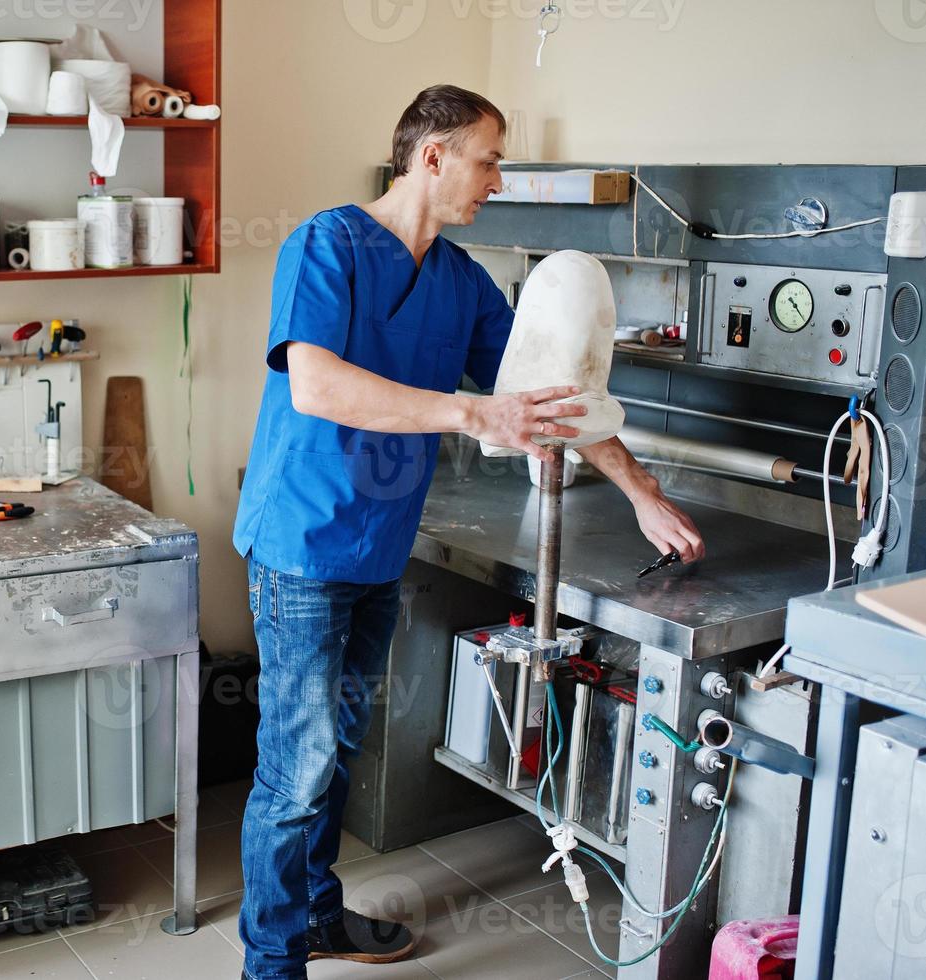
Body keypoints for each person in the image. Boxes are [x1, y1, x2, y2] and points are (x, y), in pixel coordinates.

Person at [230, 84, 705, 980]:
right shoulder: (325, 246)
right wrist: (470, 414)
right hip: (301, 546)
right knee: (294, 773)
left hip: (375, 547)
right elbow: (317, 387)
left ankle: (317, 915)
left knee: (331, 755)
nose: (497, 179)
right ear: (433, 156)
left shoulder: (462, 284)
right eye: (489, 159)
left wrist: (642, 491)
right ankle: (270, 963)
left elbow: (553, 399)